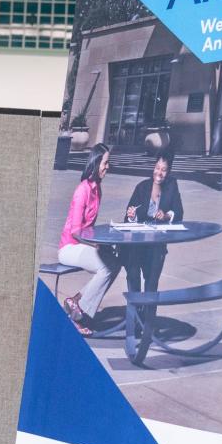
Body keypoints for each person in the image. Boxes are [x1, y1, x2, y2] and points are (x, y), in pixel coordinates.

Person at [58, 143, 120, 337]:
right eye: (105, 163)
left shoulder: (97, 189)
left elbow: (90, 228)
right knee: (106, 267)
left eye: (108, 163)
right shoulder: (82, 190)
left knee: (116, 263)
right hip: (70, 247)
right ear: (95, 163)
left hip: (82, 246)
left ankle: (76, 301)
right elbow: (77, 231)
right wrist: (96, 244)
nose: (107, 167)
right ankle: (79, 315)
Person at [122, 148, 184, 308]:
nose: (159, 173)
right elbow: (128, 216)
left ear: (168, 171)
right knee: (133, 275)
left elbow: (179, 212)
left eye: (164, 170)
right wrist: (131, 215)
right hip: (138, 243)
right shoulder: (142, 187)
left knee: (151, 283)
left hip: (156, 244)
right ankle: (134, 315)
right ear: (153, 168)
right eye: (157, 168)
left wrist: (167, 215)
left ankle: (147, 322)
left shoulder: (172, 186)